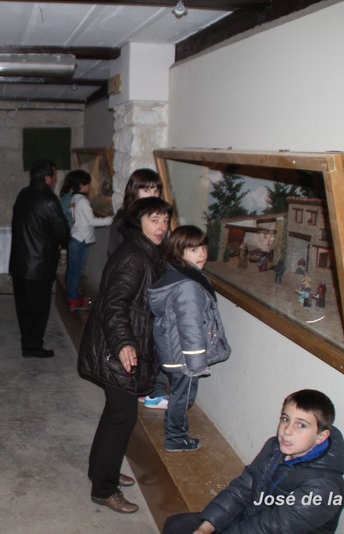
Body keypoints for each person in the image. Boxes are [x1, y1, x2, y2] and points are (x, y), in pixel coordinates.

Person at [78, 197, 171, 514]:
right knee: (122, 417)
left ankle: (101, 469)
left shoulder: (146, 251)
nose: (161, 227)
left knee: (114, 414)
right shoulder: (134, 256)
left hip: (119, 346)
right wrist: (123, 343)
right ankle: (104, 489)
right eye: (154, 220)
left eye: (164, 220)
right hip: (116, 350)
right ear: (138, 222)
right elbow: (114, 304)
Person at [162, 389, 344, 534]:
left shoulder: (323, 489)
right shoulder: (274, 448)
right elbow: (243, 489)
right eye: (285, 419)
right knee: (177, 526)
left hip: (266, 529)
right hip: (251, 517)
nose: (287, 431)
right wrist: (206, 527)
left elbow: (269, 528)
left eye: (301, 425)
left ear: (321, 436)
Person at [148, 225, 231, 452]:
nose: (202, 254)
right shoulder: (188, 285)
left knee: (179, 393)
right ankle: (176, 438)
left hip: (174, 349)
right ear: (179, 251)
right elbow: (191, 325)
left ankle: (158, 399)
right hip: (184, 355)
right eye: (193, 249)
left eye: (203, 247)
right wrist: (196, 364)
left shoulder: (178, 274)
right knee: (184, 398)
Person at [107, 169, 173, 410]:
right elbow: (119, 262)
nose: (152, 193)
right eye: (146, 189)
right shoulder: (125, 221)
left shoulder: (157, 218)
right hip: (135, 295)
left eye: (156, 189)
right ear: (133, 190)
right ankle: (152, 390)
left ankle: (150, 388)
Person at [9, 159, 71, 358]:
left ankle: (27, 342)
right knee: (38, 308)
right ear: (47, 178)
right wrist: (62, 241)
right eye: (55, 176)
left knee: (24, 308)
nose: (56, 180)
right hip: (39, 265)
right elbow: (61, 230)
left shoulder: (23, 194)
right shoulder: (48, 199)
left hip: (20, 262)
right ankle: (33, 346)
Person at [61, 169, 112, 311]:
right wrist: (111, 219)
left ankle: (72, 296)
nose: (90, 186)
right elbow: (92, 221)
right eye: (88, 184)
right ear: (82, 185)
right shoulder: (83, 201)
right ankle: (74, 299)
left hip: (75, 236)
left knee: (73, 270)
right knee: (76, 271)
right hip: (81, 239)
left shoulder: (74, 198)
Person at [107, 168, 164, 256]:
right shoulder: (123, 219)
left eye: (156, 191)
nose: (153, 196)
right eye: (146, 190)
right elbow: (115, 253)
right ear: (134, 191)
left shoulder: (155, 216)